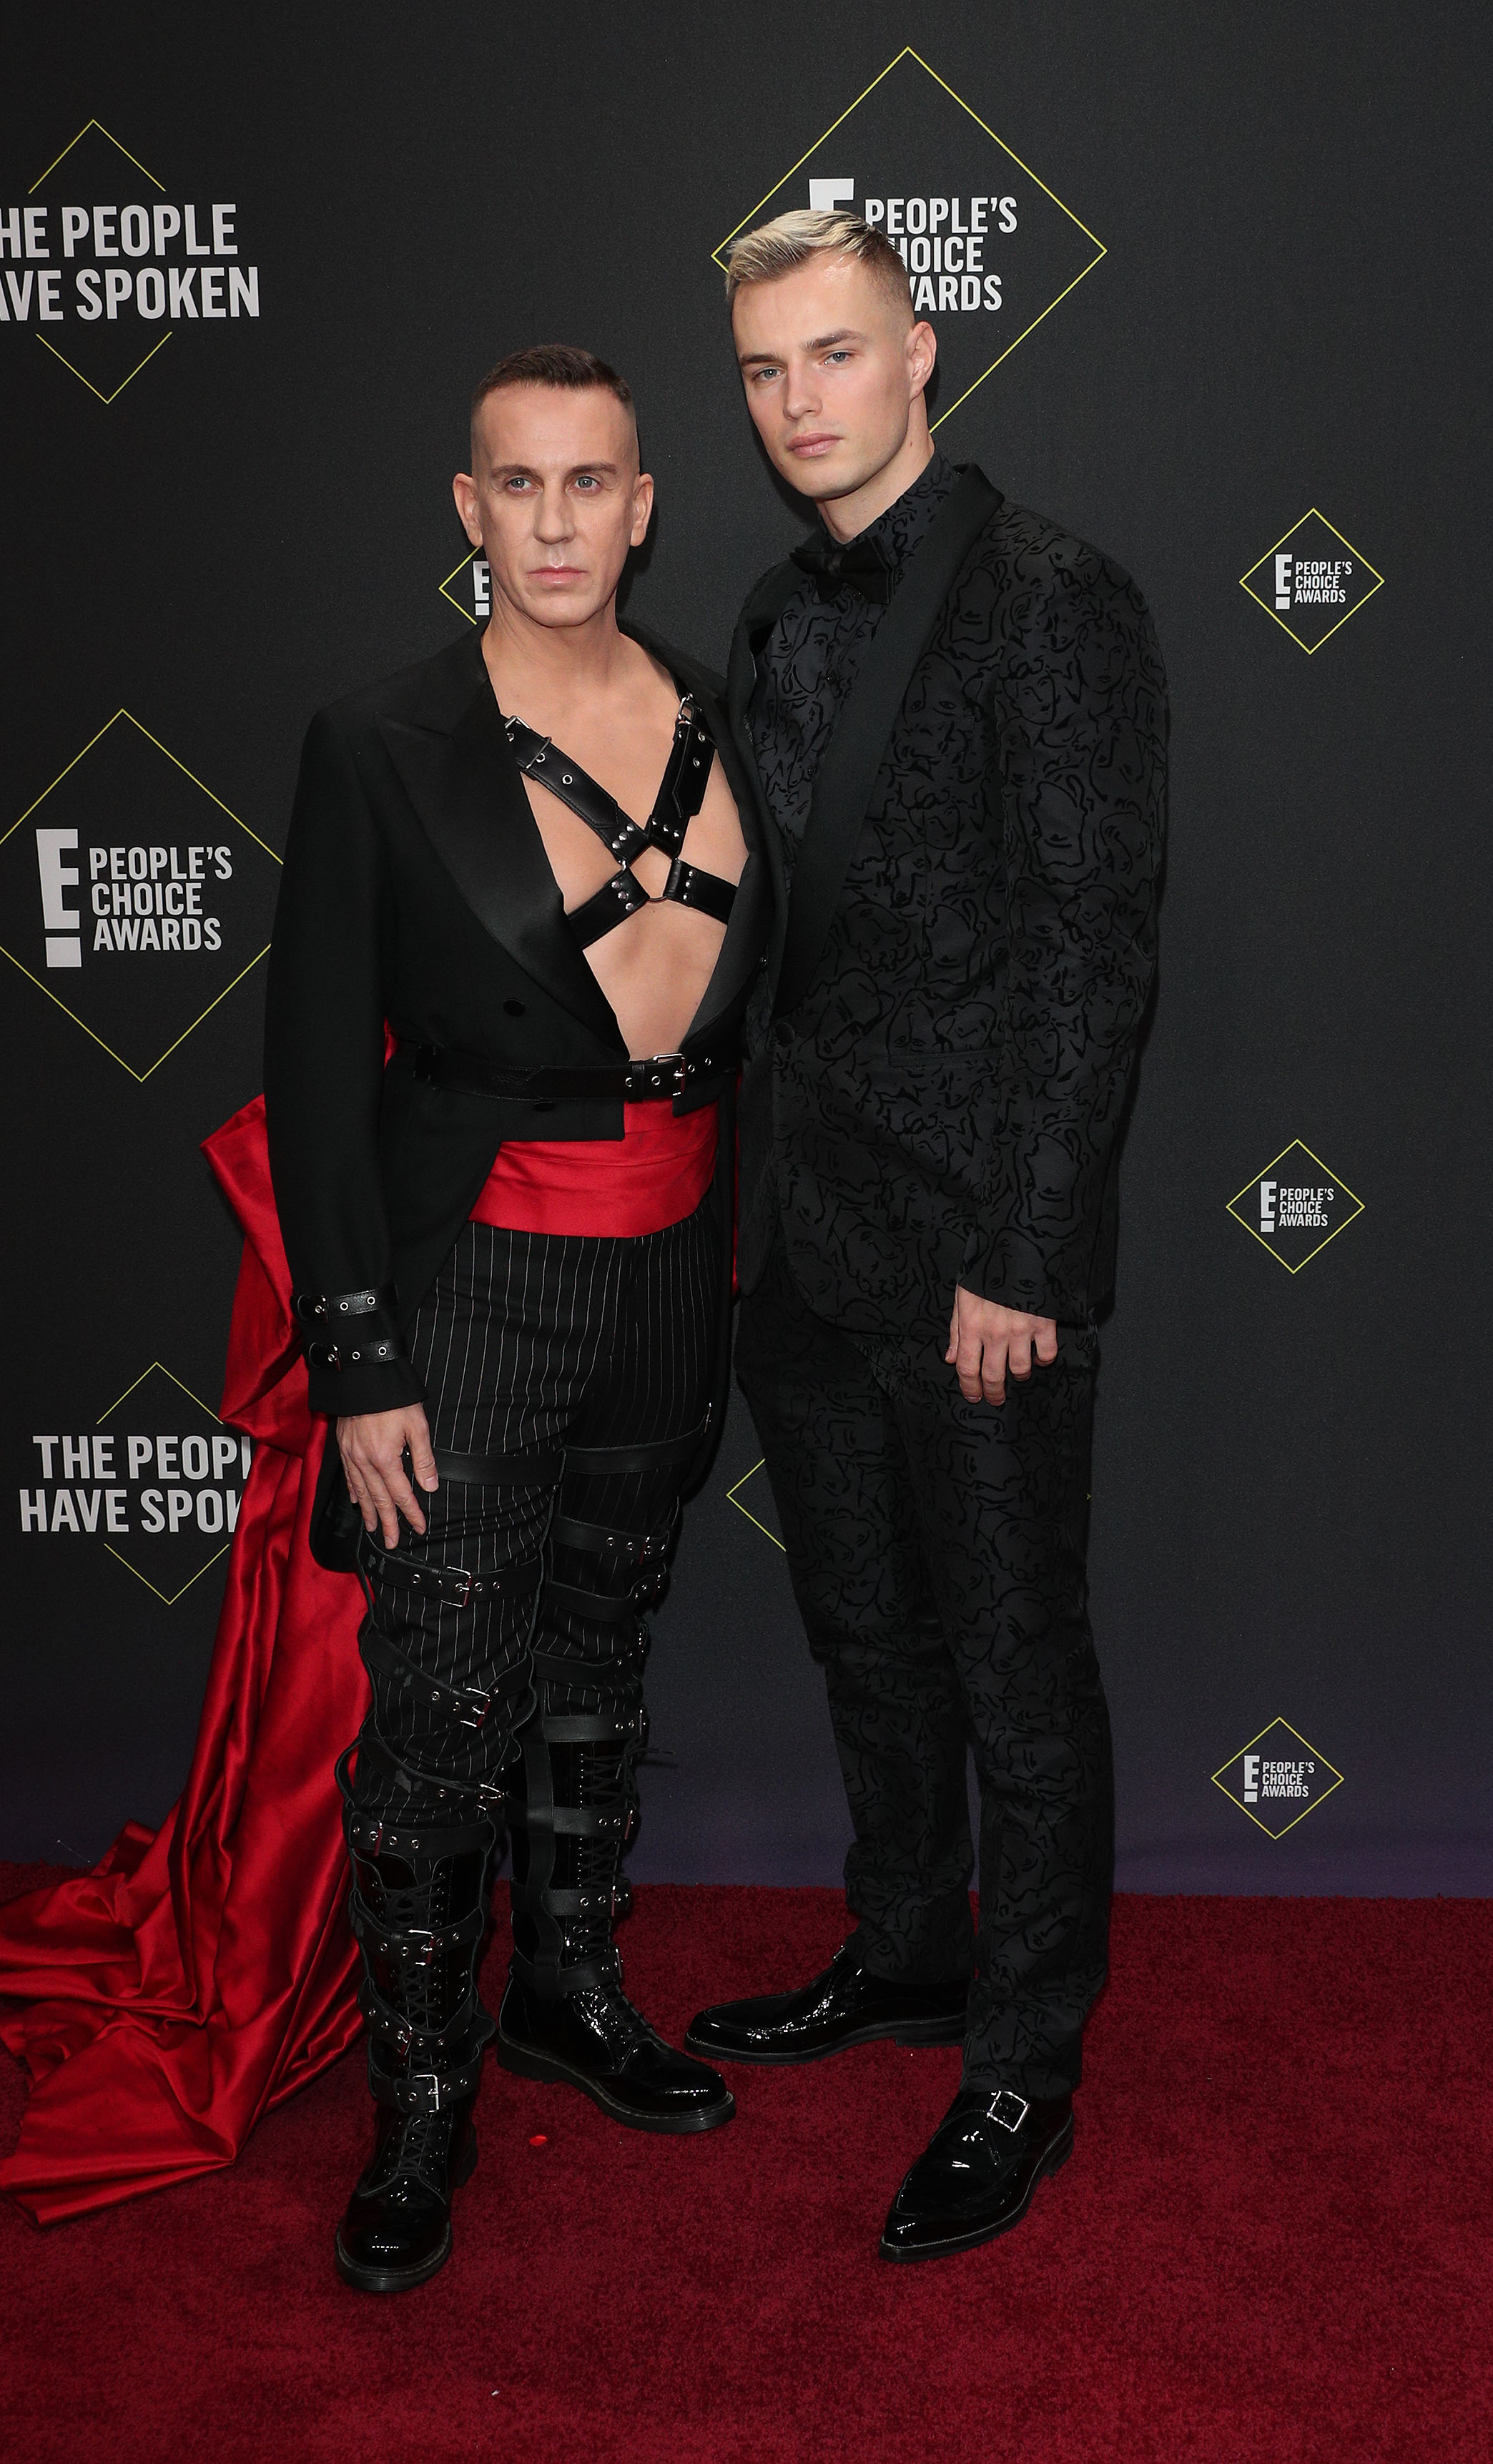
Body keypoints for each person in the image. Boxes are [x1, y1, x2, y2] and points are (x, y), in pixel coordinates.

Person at [685, 212, 1167, 2261]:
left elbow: (1091, 950)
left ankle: (1026, 2060)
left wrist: (1029, 1254)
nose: (799, 401)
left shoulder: (1053, 600)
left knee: (1014, 1662)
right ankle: (905, 1950)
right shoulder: (767, 618)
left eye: (834, 353)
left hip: (978, 1259)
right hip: (801, 1236)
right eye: (764, 369)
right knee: (865, 1634)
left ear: (922, 353)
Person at [265, 345, 769, 2293]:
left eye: (593, 482)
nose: (557, 522)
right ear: (467, 509)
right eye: (520, 484)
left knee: (596, 1664)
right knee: (441, 1711)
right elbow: (318, 1079)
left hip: (672, 1277)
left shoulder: (718, 714)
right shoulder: (378, 740)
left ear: (646, 504)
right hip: (477, 1281)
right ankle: (419, 2100)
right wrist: (360, 1354)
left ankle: (569, 1989)